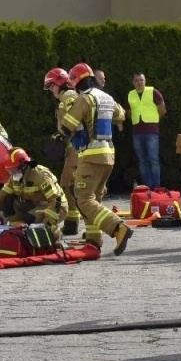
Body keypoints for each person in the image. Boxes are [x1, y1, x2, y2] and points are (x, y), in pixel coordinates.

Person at [57, 63, 133, 255]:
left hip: (91, 156)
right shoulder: (106, 97)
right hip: (108, 154)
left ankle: (118, 228)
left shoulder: (84, 99)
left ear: (76, 81)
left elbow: (67, 127)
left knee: (83, 198)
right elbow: (121, 114)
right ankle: (93, 239)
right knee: (94, 198)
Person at [0, 148, 68, 235]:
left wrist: (48, 222)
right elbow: (0, 196)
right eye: (10, 171)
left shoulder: (40, 175)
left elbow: (56, 199)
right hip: (34, 205)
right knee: (8, 200)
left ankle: (54, 232)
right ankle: (18, 232)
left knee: (31, 219)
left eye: (14, 170)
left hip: (55, 207)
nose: (12, 174)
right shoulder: (16, 178)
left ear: (24, 165)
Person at [44, 67, 82, 236]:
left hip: (76, 147)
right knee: (66, 185)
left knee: (76, 187)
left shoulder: (69, 96)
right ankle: (72, 223)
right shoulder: (65, 97)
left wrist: (65, 133)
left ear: (60, 83)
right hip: (70, 147)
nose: (50, 90)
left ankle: (91, 225)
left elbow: (76, 120)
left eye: (51, 86)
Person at [127, 71, 167, 189]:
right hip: (137, 132)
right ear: (133, 82)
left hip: (151, 132)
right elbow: (129, 111)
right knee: (142, 160)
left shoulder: (153, 92)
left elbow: (162, 110)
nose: (139, 82)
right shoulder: (130, 94)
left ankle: (156, 187)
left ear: (145, 81)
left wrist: (154, 121)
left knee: (153, 160)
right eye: (136, 80)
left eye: (141, 80)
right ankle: (147, 187)